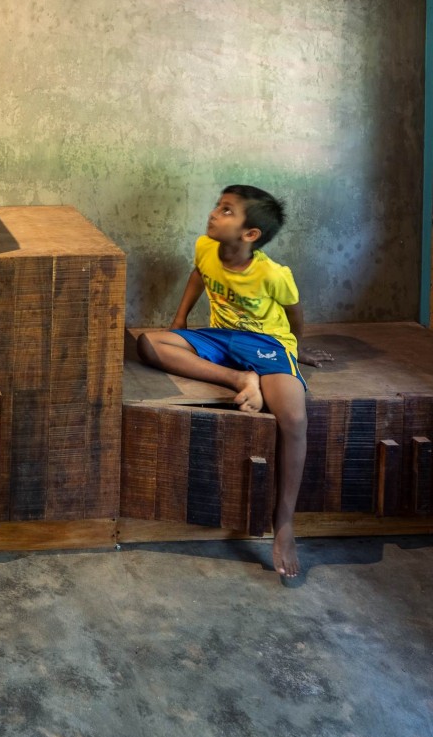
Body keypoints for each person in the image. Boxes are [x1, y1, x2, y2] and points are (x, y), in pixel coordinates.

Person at [136, 185, 331, 579]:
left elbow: (294, 315)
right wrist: (179, 323)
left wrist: (296, 350)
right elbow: (198, 276)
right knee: (148, 343)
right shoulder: (205, 248)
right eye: (217, 206)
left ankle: (286, 523)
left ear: (250, 235)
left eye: (226, 211)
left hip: (266, 343)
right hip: (221, 338)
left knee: (293, 419)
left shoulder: (273, 274)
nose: (213, 214)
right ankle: (240, 379)